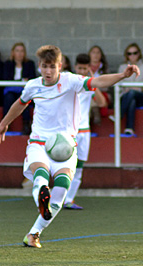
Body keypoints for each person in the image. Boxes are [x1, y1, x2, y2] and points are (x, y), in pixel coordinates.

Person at [0, 45, 140, 248]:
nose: (48, 71)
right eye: (44, 66)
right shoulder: (33, 85)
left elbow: (98, 81)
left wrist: (122, 75)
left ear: (60, 65)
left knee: (60, 193)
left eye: (52, 66)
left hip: (66, 147)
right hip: (39, 143)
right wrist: (3, 123)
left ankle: (33, 234)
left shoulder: (71, 81)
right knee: (41, 176)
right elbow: (20, 103)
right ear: (40, 66)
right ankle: (41, 202)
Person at [64, 53, 107, 210]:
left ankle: (69, 199)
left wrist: (94, 81)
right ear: (75, 67)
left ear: (89, 68)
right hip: (69, 131)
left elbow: (102, 103)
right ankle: (55, 197)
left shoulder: (90, 84)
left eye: (85, 68)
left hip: (85, 131)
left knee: (79, 166)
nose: (82, 71)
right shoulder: (69, 82)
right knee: (64, 164)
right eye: (79, 68)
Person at [113, 43, 143, 135]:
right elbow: (118, 85)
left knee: (132, 93)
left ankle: (118, 115)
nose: (132, 56)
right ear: (126, 55)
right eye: (129, 53)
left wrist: (139, 88)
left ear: (139, 54)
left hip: (142, 97)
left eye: (135, 53)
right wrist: (126, 89)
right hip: (126, 96)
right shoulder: (122, 67)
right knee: (132, 101)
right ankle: (129, 129)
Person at [3, 42, 37, 135]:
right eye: (17, 51)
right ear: (13, 52)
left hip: (23, 90)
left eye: (22, 51)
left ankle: (26, 124)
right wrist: (21, 80)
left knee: (23, 98)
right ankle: (6, 124)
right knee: (8, 98)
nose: (19, 53)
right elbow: (6, 78)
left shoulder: (30, 64)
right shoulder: (8, 63)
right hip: (11, 89)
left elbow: (32, 78)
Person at [88, 45, 111, 125]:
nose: (95, 55)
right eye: (93, 52)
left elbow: (106, 85)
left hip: (101, 94)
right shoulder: (85, 68)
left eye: (98, 53)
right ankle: (95, 114)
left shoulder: (104, 69)